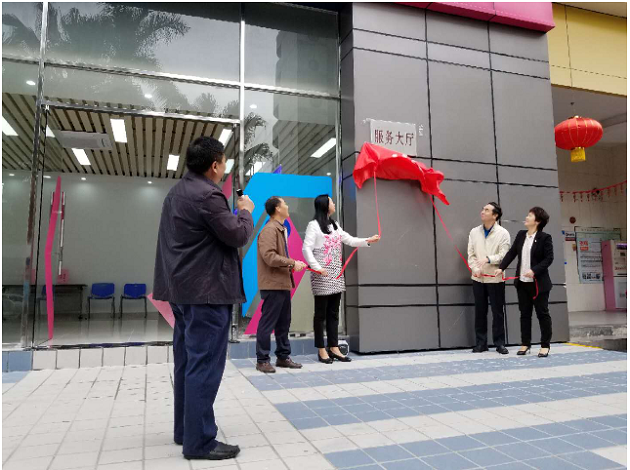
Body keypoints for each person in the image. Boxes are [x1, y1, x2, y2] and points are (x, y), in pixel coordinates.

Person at [153, 136, 255, 461]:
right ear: (214, 165)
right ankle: (199, 442)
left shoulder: (175, 193)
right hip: (206, 293)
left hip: (183, 293)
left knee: (187, 362)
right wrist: (245, 212)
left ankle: (186, 431)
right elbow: (237, 235)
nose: (223, 170)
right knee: (205, 365)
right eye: (223, 164)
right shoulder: (208, 195)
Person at [302, 195, 380, 363]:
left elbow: (349, 240)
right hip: (321, 274)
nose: (334, 203)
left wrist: (367, 240)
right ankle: (321, 349)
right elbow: (306, 249)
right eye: (331, 201)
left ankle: (334, 347)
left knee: (334, 313)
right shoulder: (313, 225)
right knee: (320, 315)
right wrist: (317, 267)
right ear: (324, 205)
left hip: (336, 273)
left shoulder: (335, 225)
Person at [255, 196, 307, 373]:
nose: (287, 206)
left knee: (283, 323)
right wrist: (292, 263)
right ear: (277, 208)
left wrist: (292, 264)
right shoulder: (270, 230)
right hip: (273, 285)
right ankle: (262, 360)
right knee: (267, 323)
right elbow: (269, 257)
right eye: (284, 204)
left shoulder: (279, 229)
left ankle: (283, 357)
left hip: (282, 284)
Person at [495, 207, 554, 358]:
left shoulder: (545, 238)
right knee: (525, 314)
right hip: (522, 283)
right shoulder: (521, 235)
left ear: (537, 221)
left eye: (530, 215)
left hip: (538, 284)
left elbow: (549, 259)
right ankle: (525, 343)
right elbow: (512, 253)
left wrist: (534, 270)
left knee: (542, 314)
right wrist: (501, 268)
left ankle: (545, 345)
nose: (526, 217)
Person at [468, 202, 511, 354]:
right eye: (483, 209)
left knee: (497, 311)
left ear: (495, 215)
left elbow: (504, 255)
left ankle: (500, 344)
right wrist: (475, 269)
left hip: (495, 278)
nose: (483, 212)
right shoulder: (474, 232)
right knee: (480, 311)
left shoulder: (503, 233)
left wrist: (488, 259)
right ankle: (481, 343)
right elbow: (471, 254)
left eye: (487, 210)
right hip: (478, 278)